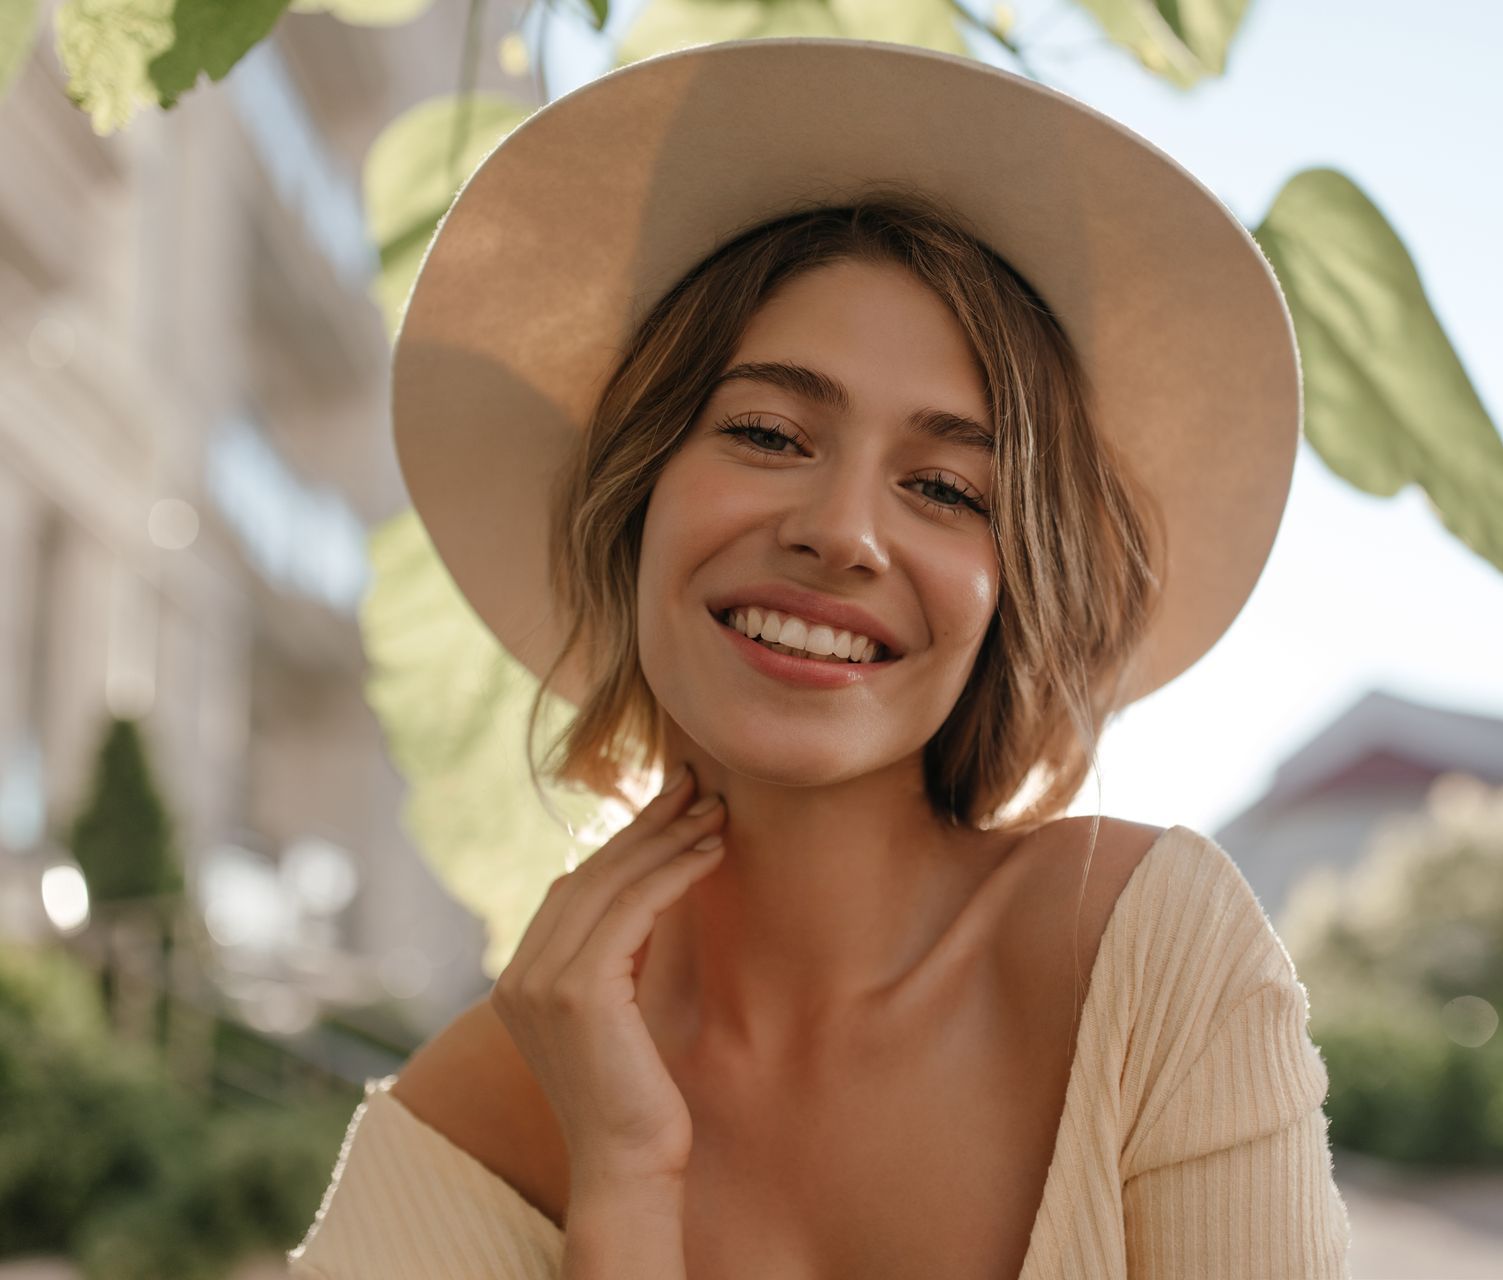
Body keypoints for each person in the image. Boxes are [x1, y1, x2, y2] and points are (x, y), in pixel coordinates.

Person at [288, 35, 1350, 1280]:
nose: (841, 530)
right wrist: (625, 1177)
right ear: (635, 500)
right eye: (765, 430)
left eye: (947, 487)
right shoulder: (476, 1117)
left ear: (1011, 592)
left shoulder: (1147, 954)